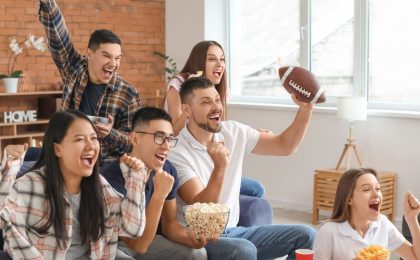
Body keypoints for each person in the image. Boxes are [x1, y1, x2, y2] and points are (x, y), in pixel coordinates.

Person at [167, 77, 316, 259]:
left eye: (216, 99)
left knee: (307, 235)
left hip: (234, 232)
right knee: (244, 249)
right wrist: (219, 168)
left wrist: (305, 110)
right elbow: (203, 212)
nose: (216, 107)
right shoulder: (176, 152)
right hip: (200, 239)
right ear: (187, 110)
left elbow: (285, 145)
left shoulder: (234, 131)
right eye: (206, 102)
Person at [0, 110, 147, 259]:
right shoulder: (31, 185)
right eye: (79, 139)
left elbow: (132, 229)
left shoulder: (99, 187)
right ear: (58, 149)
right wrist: (8, 173)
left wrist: (135, 179)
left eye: (94, 138)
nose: (91, 146)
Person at [38, 0, 141, 163]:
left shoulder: (128, 94)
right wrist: (48, 3)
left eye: (117, 58)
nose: (113, 64)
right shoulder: (74, 69)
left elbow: (134, 142)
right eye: (107, 56)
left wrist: (109, 133)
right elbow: (59, 37)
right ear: (89, 54)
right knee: (26, 158)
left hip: (104, 165)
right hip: (67, 156)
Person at [100, 107, 208, 259]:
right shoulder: (111, 178)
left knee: (197, 253)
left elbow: (170, 225)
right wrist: (159, 194)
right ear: (135, 138)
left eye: (170, 139)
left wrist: (190, 239)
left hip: (148, 240)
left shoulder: (168, 170)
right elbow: (137, 244)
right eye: (158, 137)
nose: (166, 146)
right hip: (113, 244)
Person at [164, 40, 265, 198]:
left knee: (257, 188)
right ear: (199, 62)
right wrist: (190, 104)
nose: (219, 64)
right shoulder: (177, 84)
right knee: (253, 190)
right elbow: (173, 132)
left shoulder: (218, 88)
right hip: (187, 158)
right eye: (212, 59)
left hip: (208, 157)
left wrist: (251, 133)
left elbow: (217, 126)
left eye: (222, 59)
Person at [313, 168, 420, 260]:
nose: (376, 194)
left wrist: (411, 219)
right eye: (366, 189)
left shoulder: (383, 223)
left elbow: (416, 257)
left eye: (378, 189)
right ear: (349, 199)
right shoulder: (329, 232)